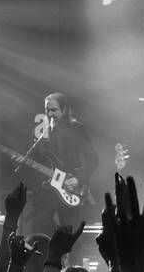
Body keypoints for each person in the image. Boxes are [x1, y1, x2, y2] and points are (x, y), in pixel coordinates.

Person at [25, 93, 100, 232]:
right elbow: (34, 161)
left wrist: (78, 180)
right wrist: (22, 161)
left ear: (64, 110)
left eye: (54, 110)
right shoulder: (42, 132)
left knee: (71, 237)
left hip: (70, 188)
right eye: (47, 110)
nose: (50, 114)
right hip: (45, 192)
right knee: (39, 236)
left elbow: (93, 159)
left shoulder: (76, 129)